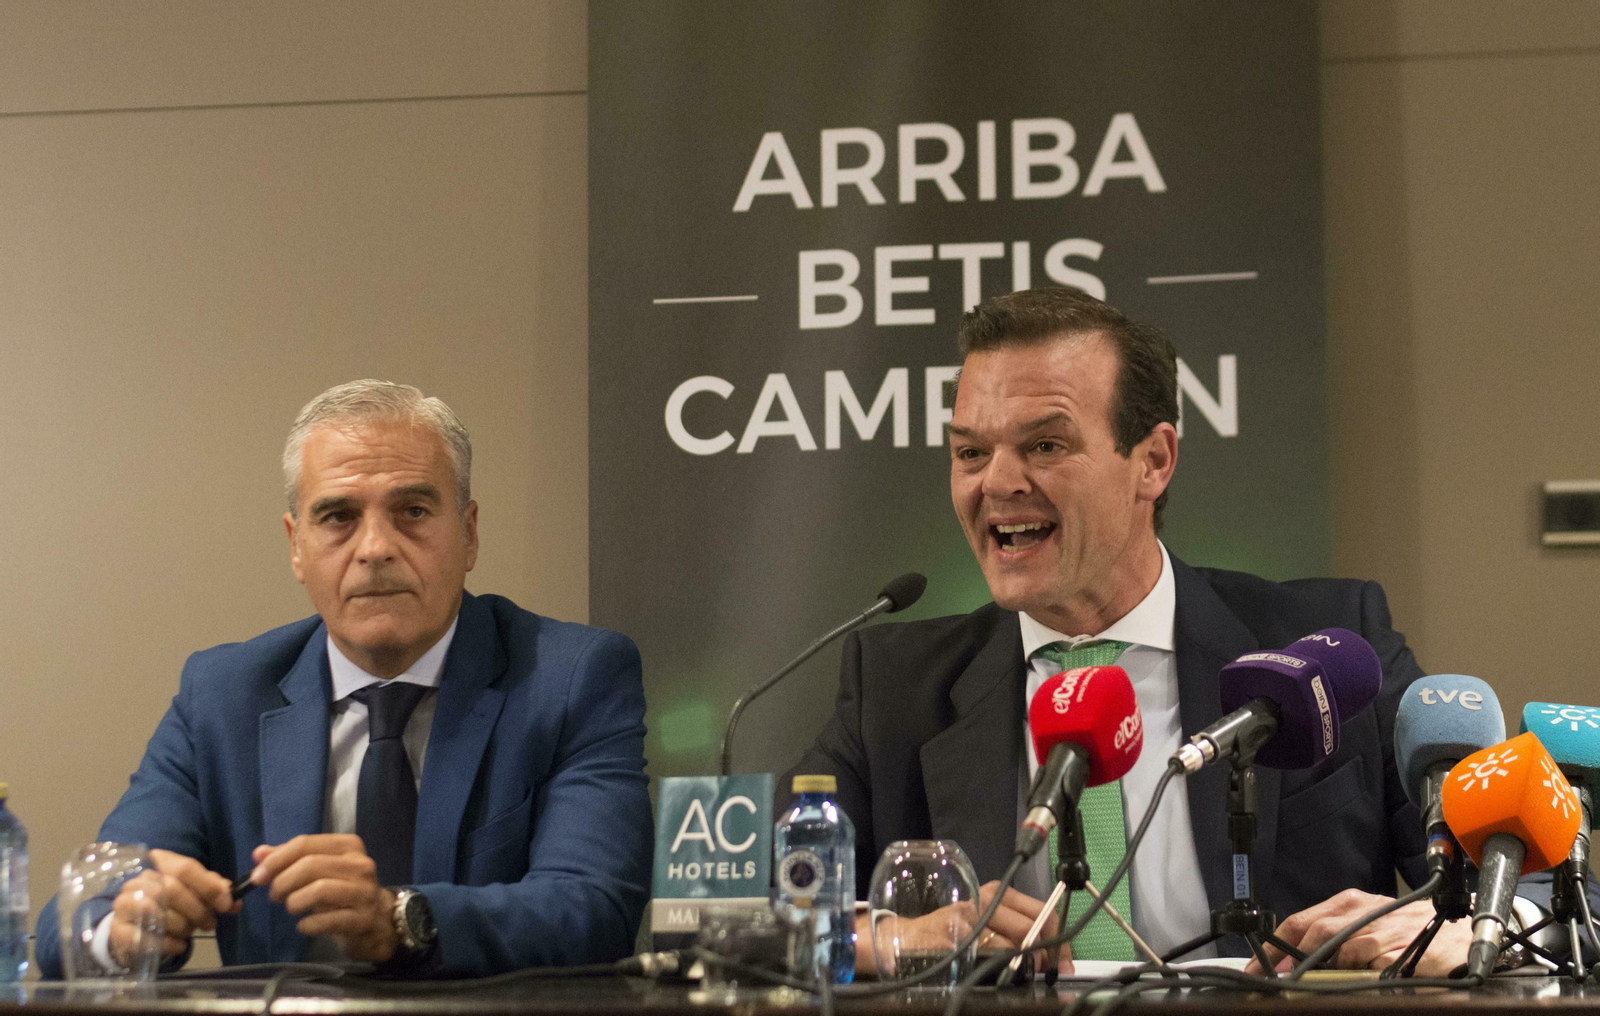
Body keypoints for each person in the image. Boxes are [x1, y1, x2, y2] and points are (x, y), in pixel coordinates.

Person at [783, 287, 1489, 977]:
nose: (997, 482)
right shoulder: (897, 688)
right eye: (969, 453)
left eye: (1045, 445)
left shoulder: (1329, 644)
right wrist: (879, 937)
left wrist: (1466, 923)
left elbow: (1546, 885)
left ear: (1152, 462)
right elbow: (745, 915)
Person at [36, 380, 652, 978]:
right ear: (296, 546)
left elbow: (594, 908)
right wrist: (123, 929)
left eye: (412, 511)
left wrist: (401, 918)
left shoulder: (571, 679)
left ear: (468, 533)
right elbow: (73, 917)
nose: (376, 547)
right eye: (338, 517)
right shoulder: (223, 695)